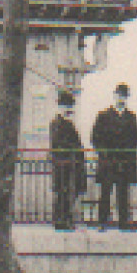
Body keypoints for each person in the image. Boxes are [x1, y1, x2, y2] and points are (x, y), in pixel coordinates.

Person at [90, 83, 137, 230]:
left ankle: (123, 223)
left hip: (124, 162)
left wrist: (129, 156)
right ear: (114, 96)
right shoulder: (103, 116)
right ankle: (102, 222)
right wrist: (104, 153)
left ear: (127, 98)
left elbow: (135, 139)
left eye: (124, 96)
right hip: (108, 161)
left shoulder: (131, 117)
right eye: (119, 95)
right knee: (105, 193)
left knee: (123, 193)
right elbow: (95, 137)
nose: (121, 99)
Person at [48, 90, 87, 232]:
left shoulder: (67, 123)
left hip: (70, 165)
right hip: (62, 165)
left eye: (69, 106)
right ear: (60, 107)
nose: (68, 109)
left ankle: (65, 220)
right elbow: (60, 144)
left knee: (68, 193)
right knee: (63, 192)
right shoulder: (57, 123)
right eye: (65, 106)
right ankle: (61, 221)